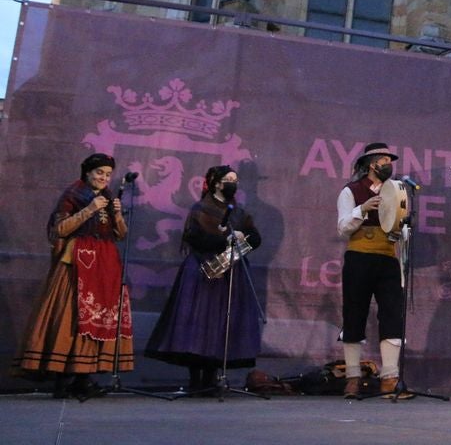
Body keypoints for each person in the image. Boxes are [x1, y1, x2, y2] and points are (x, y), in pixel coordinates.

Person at [12, 153, 133, 399]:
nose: (104, 178)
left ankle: (83, 378)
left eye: (108, 175)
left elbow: (120, 234)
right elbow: (60, 229)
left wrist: (117, 214)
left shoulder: (109, 196)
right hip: (76, 263)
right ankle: (62, 379)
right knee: (71, 317)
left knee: (95, 319)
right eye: (99, 173)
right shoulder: (73, 194)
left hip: (104, 263)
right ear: (87, 172)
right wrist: (89, 209)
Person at [145, 165, 263, 391]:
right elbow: (195, 239)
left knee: (221, 323)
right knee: (198, 323)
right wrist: (224, 239)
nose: (233, 184)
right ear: (217, 183)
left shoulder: (239, 212)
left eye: (235, 180)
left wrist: (242, 237)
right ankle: (196, 379)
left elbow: (256, 238)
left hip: (230, 271)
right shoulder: (201, 208)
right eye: (228, 179)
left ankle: (212, 377)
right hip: (202, 271)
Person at [336, 142, 412, 399]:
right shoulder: (351, 191)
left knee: (392, 313)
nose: (388, 166)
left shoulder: (397, 190)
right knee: (354, 314)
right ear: (371, 164)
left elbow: (400, 226)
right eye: (384, 161)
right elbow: (343, 227)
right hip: (359, 256)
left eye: (390, 161)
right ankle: (353, 377)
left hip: (387, 257)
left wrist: (400, 227)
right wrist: (363, 208)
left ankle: (390, 377)